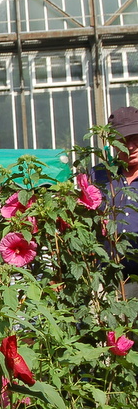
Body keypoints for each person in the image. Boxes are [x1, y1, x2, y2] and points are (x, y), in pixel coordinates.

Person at [93, 106, 138, 297]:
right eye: (123, 140)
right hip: (106, 281)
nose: (130, 146)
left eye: (135, 138)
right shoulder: (99, 175)